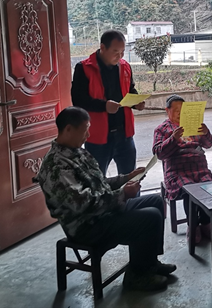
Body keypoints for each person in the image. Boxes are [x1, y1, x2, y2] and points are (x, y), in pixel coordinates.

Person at [35, 107, 176, 291]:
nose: (88, 135)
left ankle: (149, 263)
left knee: (156, 201)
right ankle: (137, 276)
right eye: (85, 129)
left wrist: (126, 178)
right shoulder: (56, 165)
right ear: (68, 129)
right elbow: (83, 204)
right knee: (150, 217)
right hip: (87, 225)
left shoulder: (78, 152)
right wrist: (123, 194)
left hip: (104, 212)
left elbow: (99, 183)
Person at [71, 29, 145, 176]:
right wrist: (104, 106)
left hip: (124, 134)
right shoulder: (84, 68)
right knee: (96, 180)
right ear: (103, 47)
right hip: (97, 136)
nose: (120, 56)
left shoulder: (125, 66)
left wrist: (136, 102)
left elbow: (130, 90)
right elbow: (78, 101)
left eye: (122, 52)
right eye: (115, 51)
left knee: (130, 179)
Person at [152, 94, 212, 244]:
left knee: (207, 187)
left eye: (182, 110)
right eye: (176, 110)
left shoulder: (194, 124)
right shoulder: (162, 129)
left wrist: (206, 133)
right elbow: (159, 153)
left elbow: (208, 144)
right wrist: (173, 139)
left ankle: (206, 222)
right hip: (177, 170)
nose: (180, 113)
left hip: (198, 167)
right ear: (167, 110)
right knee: (189, 190)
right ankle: (193, 225)